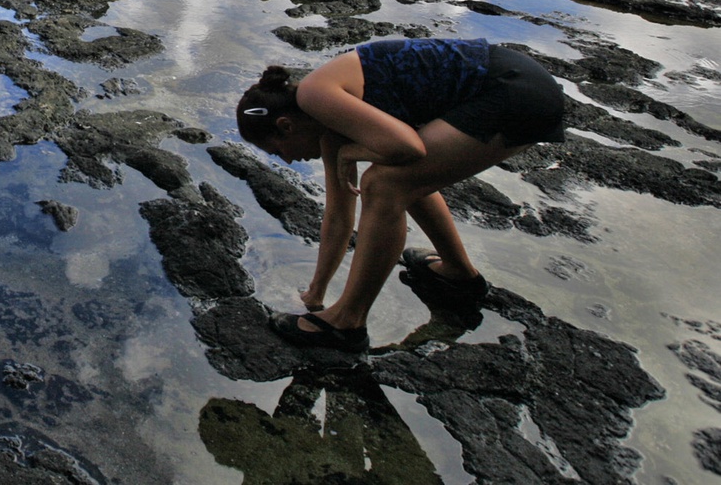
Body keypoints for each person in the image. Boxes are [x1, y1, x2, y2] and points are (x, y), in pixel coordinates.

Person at [236, 37, 566, 352]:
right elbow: (338, 214)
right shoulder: (328, 119)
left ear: (286, 125)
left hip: (512, 89)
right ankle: (459, 275)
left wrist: (350, 155)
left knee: (383, 184)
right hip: (519, 86)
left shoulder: (314, 94)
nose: (288, 160)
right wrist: (315, 291)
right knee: (406, 179)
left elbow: (409, 146)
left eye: (277, 150)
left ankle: (346, 322)